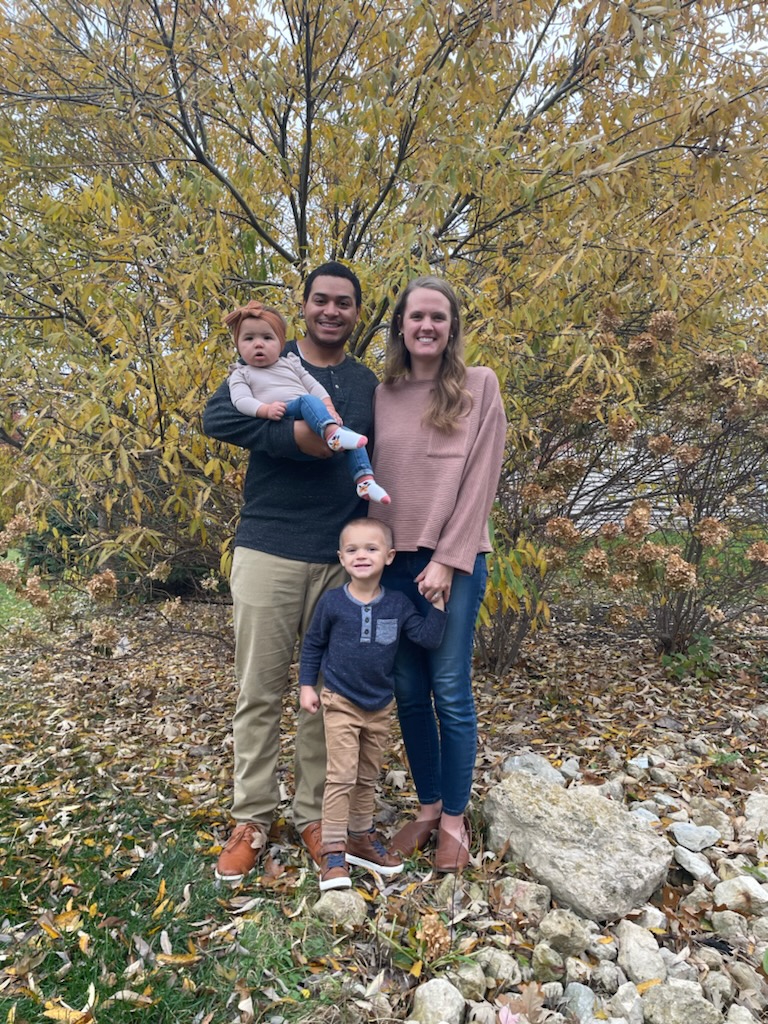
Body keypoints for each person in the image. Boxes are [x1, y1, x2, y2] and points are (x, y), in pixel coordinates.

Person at [203, 262, 378, 883]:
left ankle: (311, 814)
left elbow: (372, 452)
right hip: (268, 547)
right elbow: (217, 419)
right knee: (258, 691)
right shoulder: (263, 361)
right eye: (321, 301)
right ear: (303, 307)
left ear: (357, 313)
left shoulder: (364, 383)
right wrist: (296, 434)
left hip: (338, 561)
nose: (332, 311)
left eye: (344, 303)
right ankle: (251, 817)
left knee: (323, 700)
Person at [371, 275, 507, 872]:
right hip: (390, 564)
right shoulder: (382, 393)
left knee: (449, 690)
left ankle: (454, 818)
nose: (427, 325)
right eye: (416, 316)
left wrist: (448, 561)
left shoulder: (479, 387)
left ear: (452, 327)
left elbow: (481, 480)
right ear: (400, 325)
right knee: (406, 691)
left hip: (454, 561)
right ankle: (427, 808)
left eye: (439, 317)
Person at [299, 517, 446, 890]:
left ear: (389, 556)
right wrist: (306, 686)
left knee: (366, 776)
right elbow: (313, 644)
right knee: (341, 776)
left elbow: (426, 639)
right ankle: (333, 852)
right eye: (352, 550)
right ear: (341, 558)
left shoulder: (396, 604)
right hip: (341, 700)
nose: (361, 555)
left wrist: (440, 608)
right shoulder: (333, 602)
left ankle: (360, 839)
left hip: (379, 704)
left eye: (371, 548)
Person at [226, 301, 389, 504]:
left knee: (354, 438)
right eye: (248, 339)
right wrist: (265, 410)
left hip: (313, 418)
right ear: (238, 344)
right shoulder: (241, 373)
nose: (258, 344)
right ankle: (332, 435)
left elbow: (314, 386)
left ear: (281, 342)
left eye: (267, 338)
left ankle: (365, 481)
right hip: (284, 413)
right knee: (307, 400)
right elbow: (240, 401)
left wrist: (329, 407)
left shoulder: (290, 363)